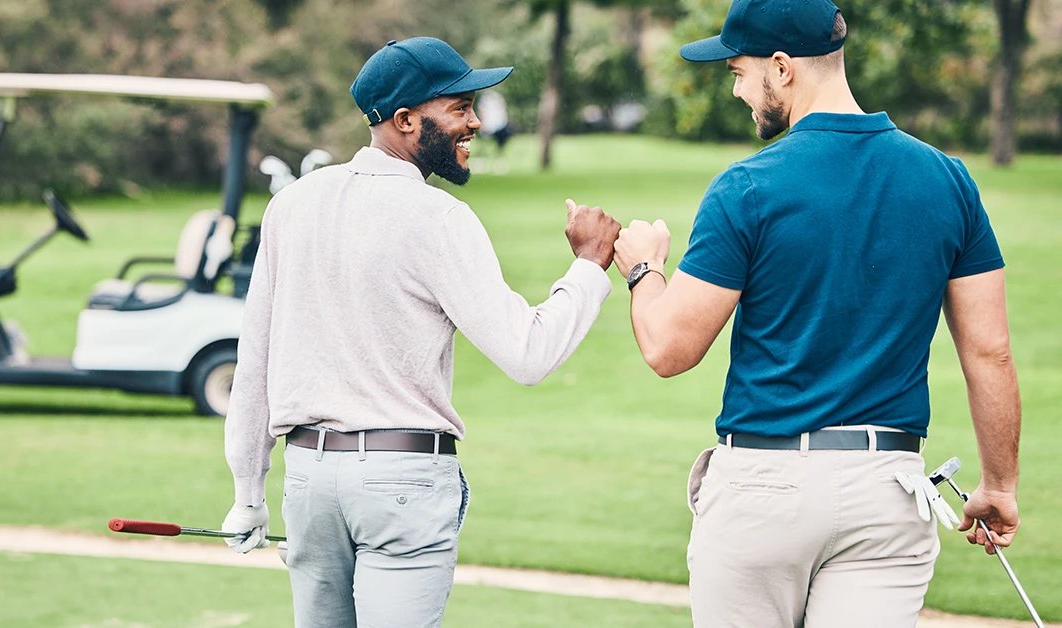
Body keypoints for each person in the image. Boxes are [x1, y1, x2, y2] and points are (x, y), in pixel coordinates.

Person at [611, 1, 1022, 626]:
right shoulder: (950, 180)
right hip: (887, 492)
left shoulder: (748, 186)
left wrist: (644, 270)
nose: (738, 89)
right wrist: (999, 486)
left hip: (763, 491)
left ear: (782, 68)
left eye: (740, 71)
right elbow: (989, 353)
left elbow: (669, 350)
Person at [220, 36, 621, 628]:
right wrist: (588, 265)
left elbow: (255, 362)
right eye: (458, 108)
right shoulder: (440, 218)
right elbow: (528, 354)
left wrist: (247, 494)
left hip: (308, 482)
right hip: (400, 482)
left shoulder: (292, 205)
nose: (476, 122)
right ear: (405, 120)